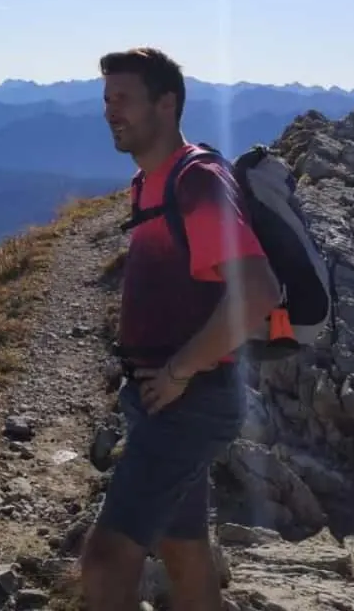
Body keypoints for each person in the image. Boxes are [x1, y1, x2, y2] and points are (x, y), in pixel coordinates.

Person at [81, 47, 283, 611]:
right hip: (167, 398)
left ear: (166, 104)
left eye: (123, 98)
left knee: (104, 564)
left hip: (187, 400)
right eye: (105, 99)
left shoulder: (196, 180)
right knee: (182, 545)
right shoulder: (150, 183)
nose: (109, 111)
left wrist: (178, 370)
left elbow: (258, 294)